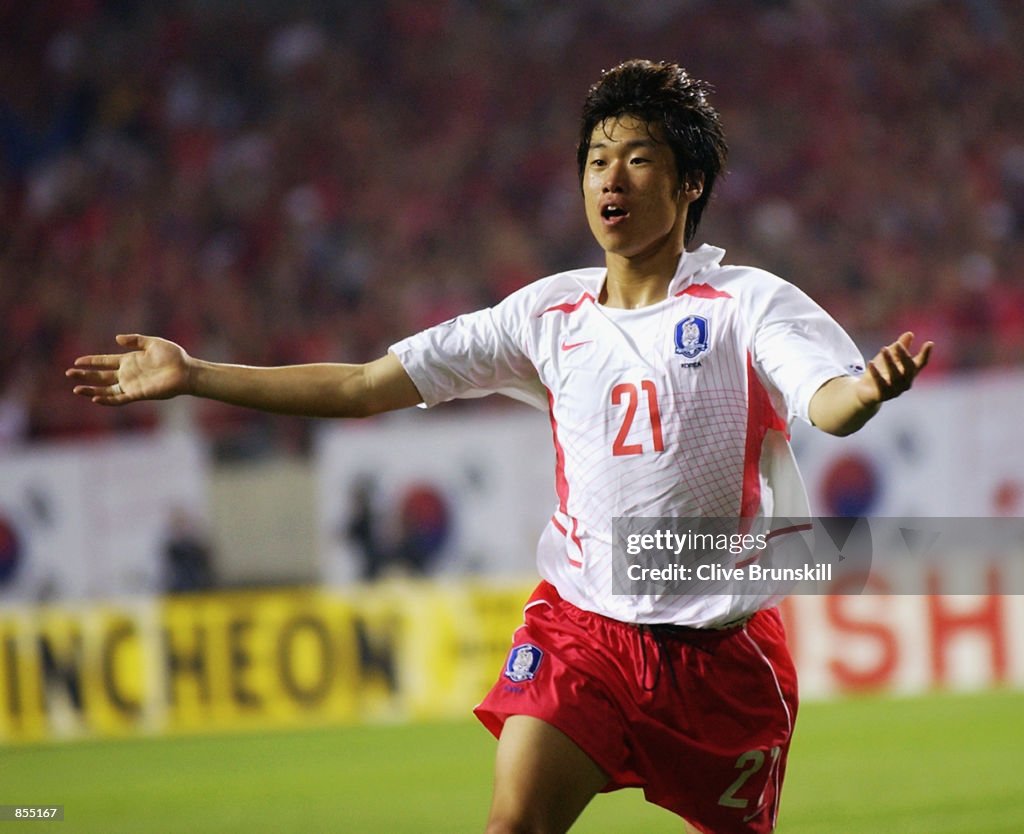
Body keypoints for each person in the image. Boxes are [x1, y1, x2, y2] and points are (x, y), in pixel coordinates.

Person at [67, 59, 931, 833]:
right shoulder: (545, 314)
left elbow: (828, 402)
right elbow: (369, 385)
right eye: (596, 160)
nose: (609, 178)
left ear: (690, 182)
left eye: (636, 157)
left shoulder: (748, 303)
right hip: (584, 633)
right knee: (512, 823)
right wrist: (196, 375)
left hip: (722, 653)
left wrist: (866, 389)